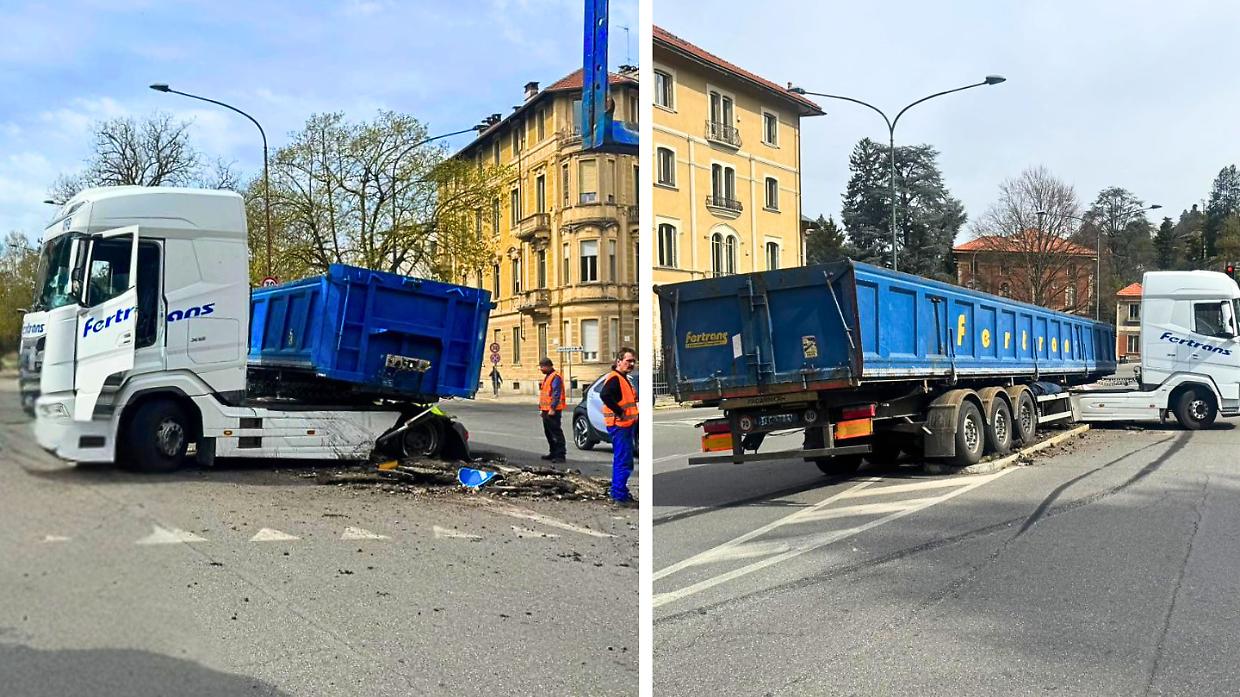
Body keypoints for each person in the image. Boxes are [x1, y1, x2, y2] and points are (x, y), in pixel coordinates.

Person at [601, 347, 638, 505]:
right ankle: (619, 496)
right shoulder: (615, 378)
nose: (631, 364)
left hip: (625, 425)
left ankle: (619, 492)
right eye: (628, 361)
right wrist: (620, 412)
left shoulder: (622, 378)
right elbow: (605, 395)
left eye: (633, 361)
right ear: (618, 362)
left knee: (623, 460)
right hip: (620, 426)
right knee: (623, 461)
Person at [538, 357, 567, 463]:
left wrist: (553, 408)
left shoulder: (555, 377)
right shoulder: (548, 377)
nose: (541, 369)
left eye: (542, 367)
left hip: (553, 410)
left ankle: (560, 455)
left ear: (548, 366)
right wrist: (542, 409)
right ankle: (553, 452)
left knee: (556, 433)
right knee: (548, 432)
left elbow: (556, 394)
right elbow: (545, 395)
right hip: (546, 410)